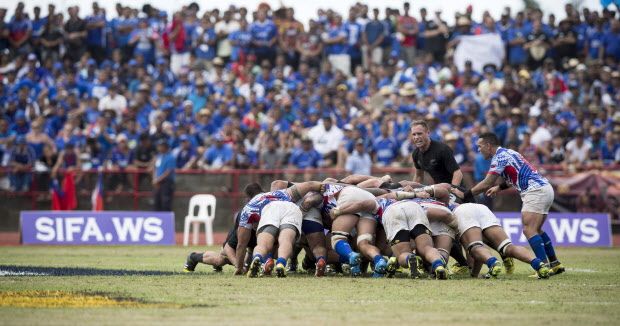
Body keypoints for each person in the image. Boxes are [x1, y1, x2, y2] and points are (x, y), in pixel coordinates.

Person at [453, 132, 565, 276]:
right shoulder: (510, 153)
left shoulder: (498, 157)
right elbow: (517, 174)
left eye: (480, 146)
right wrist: (499, 187)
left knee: (529, 230)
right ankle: (555, 264)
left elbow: (487, 182)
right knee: (537, 229)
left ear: (488, 145)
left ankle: (543, 267)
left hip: (534, 191)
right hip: (544, 188)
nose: (478, 150)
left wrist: (466, 195)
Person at [235, 181, 323, 278]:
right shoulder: (278, 193)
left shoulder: (248, 208)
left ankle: (258, 257)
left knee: (263, 244)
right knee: (286, 240)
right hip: (290, 208)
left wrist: (239, 267)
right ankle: (281, 263)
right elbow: (309, 185)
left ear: (248, 198)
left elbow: (241, 244)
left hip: (269, 211)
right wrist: (321, 186)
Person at [453, 203, 550, 279]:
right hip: (482, 208)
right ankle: (539, 264)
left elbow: (472, 255)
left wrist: (474, 274)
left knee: (475, 247)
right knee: (507, 246)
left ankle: (493, 263)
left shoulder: (443, 209)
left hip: (462, 211)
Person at [152, 139, 175, 212]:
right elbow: (155, 168)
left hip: (166, 182)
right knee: (156, 202)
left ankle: (167, 221)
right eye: (159, 146)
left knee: (165, 202)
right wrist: (154, 179)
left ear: (165, 147)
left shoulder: (171, 157)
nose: (159, 148)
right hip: (158, 182)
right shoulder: (159, 157)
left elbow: (168, 171)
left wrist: (157, 180)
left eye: (161, 146)